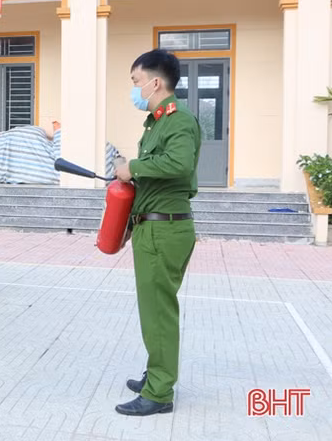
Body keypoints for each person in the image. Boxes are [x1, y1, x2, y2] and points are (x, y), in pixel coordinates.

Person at [114, 49, 201, 416]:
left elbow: (180, 165)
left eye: (136, 82)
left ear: (155, 82)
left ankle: (160, 392)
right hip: (153, 225)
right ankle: (157, 373)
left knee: (158, 312)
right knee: (154, 310)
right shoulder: (156, 122)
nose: (134, 89)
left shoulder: (178, 121)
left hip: (164, 228)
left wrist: (131, 166)